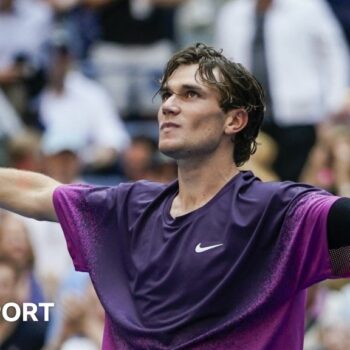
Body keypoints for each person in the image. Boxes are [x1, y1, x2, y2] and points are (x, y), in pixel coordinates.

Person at [0, 43, 350, 349]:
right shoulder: (127, 208)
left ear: (235, 121)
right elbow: (37, 192)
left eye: (190, 94)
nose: (168, 105)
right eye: (167, 94)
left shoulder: (281, 215)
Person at [215, 0, 350, 181]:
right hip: (250, 117)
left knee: (301, 181)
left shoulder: (307, 7)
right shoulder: (232, 13)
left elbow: (333, 53)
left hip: (299, 114)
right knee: (253, 180)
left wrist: (332, 102)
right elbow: (222, 65)